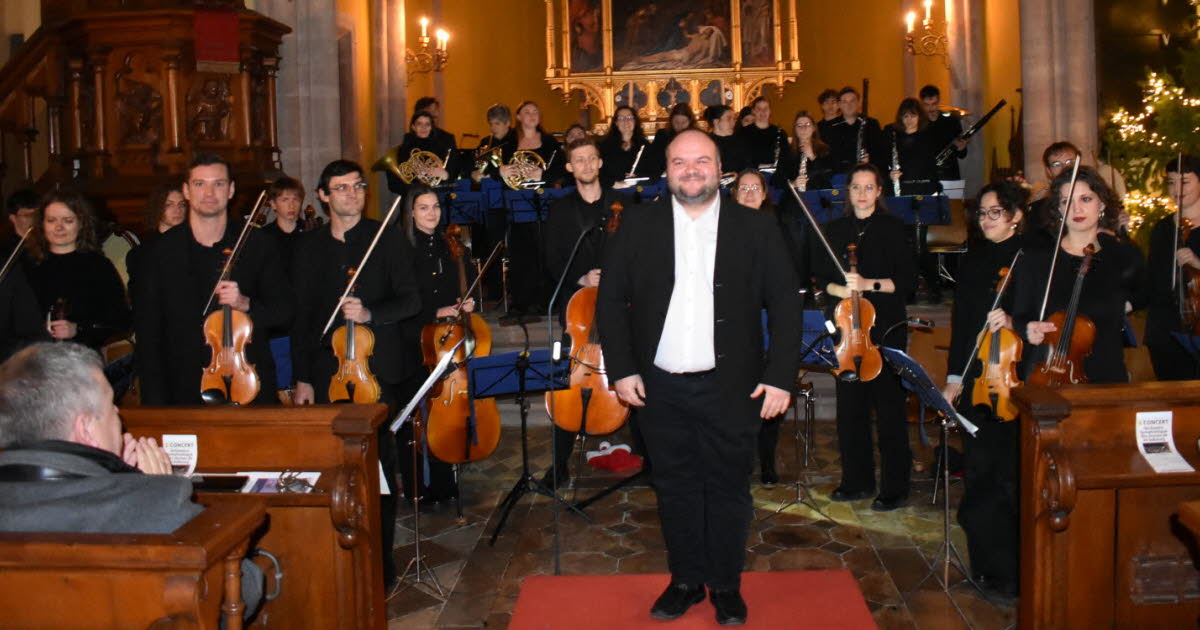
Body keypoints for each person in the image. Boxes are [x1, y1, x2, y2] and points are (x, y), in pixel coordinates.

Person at [596, 129, 800, 625]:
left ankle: (726, 585)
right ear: (666, 170)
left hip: (733, 385)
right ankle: (686, 580)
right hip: (659, 387)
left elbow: (787, 306)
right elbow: (610, 302)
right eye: (680, 162)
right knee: (676, 488)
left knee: (730, 489)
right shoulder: (637, 226)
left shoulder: (755, 228)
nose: (691, 170)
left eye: (701, 161)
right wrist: (621, 370)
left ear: (719, 169)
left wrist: (780, 377)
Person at [0, 342, 264, 615]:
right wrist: (152, 488)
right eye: (111, 405)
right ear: (86, 429)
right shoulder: (152, 503)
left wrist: (112, 472)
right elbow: (245, 590)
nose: (118, 414)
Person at [290, 159, 421, 589]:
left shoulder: (386, 239)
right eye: (341, 188)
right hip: (327, 375)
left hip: (378, 375)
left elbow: (410, 300)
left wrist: (370, 313)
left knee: (380, 472)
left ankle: (380, 564)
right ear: (324, 197)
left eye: (358, 187)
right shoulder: (309, 249)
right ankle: (338, 559)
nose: (352, 194)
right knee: (334, 470)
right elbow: (304, 318)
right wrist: (303, 378)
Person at [133, 153, 292, 405]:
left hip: (249, 384)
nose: (209, 192)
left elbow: (283, 311)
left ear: (230, 190)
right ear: (186, 191)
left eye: (218, 184)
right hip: (183, 388)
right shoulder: (159, 253)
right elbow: (149, 335)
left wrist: (246, 304)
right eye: (199, 184)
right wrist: (155, 404)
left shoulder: (258, 244)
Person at [940, 181, 1028, 600]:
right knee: (978, 476)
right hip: (977, 380)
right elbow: (963, 325)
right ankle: (986, 567)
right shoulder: (973, 261)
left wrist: (1015, 319)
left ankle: (1015, 570)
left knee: (1010, 479)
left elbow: (1042, 317)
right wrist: (955, 377)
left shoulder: (1031, 257)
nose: (987, 220)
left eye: (996, 212)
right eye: (983, 213)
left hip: (1015, 380)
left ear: (1016, 216)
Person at [812, 164, 916, 512]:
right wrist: (839, 288)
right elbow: (820, 279)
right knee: (850, 412)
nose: (861, 193)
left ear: (879, 191)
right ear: (848, 192)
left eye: (868, 187)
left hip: (884, 329)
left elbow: (907, 282)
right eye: (855, 186)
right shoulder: (834, 230)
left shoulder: (895, 229)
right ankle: (856, 481)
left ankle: (895, 486)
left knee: (889, 412)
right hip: (847, 334)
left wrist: (868, 284)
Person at [542, 138, 631, 486]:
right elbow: (550, 261)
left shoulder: (621, 204)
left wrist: (618, 277)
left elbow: (638, 252)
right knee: (565, 379)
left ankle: (652, 459)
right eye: (578, 160)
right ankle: (559, 463)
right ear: (570, 167)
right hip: (576, 309)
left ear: (599, 163)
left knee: (632, 372)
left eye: (590, 159)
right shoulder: (561, 210)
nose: (585, 165)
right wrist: (581, 277)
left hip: (620, 304)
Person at [1013, 166, 1146, 385]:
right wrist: (1028, 329)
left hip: (1106, 376)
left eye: (1085, 199)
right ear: (1059, 208)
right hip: (1048, 377)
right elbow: (1020, 315)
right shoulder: (1037, 260)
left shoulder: (1122, 255)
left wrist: (1124, 306)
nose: (1076, 209)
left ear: (1101, 204)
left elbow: (1148, 291)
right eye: (1067, 201)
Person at [732, 168, 803, 487]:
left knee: (770, 390)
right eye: (742, 188)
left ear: (764, 195)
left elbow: (788, 280)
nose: (748, 193)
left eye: (754, 188)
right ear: (734, 196)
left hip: (768, 321)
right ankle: (742, 460)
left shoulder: (778, 229)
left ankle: (768, 460)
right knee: (738, 398)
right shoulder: (722, 230)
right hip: (735, 325)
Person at [399, 183, 468, 503]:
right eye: (424, 207)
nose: (432, 213)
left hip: (444, 337)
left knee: (443, 412)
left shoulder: (447, 245)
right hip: (413, 338)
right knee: (416, 417)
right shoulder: (402, 248)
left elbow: (454, 289)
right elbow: (402, 299)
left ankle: (444, 481)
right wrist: (434, 310)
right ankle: (418, 488)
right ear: (411, 213)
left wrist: (463, 303)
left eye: (436, 207)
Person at [25, 189, 131, 352]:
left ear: (81, 223)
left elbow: (121, 321)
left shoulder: (98, 266)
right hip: (33, 359)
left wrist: (79, 328)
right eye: (51, 220)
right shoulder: (27, 266)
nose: (59, 227)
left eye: (68, 220)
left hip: (82, 358)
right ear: (42, 225)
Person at [1146, 155, 1200, 380]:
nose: (1176, 188)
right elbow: (1153, 280)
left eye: (1184, 182)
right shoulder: (1163, 228)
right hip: (1166, 329)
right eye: (1171, 182)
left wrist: (1197, 264)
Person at [260, 176, 308, 400]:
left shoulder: (310, 237)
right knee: (280, 384)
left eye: (295, 199)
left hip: (303, 317)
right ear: (272, 204)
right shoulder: (262, 239)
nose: (291, 205)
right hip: (277, 323)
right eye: (285, 199)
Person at [126, 180, 187, 301]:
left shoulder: (193, 245)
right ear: (158, 208)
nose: (177, 210)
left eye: (182, 204)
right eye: (169, 205)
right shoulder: (141, 253)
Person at [385, 111, 459, 195]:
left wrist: (445, 175)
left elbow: (455, 175)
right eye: (419, 124)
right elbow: (394, 184)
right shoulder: (404, 150)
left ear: (431, 127)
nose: (423, 128)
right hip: (412, 198)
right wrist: (416, 179)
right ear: (413, 127)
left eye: (427, 124)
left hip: (436, 196)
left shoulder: (442, 148)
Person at [823, 87, 884, 175]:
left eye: (852, 101)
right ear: (839, 104)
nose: (849, 105)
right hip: (839, 176)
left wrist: (871, 159)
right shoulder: (830, 127)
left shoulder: (871, 124)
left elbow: (881, 152)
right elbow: (826, 157)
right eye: (845, 102)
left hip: (865, 173)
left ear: (859, 103)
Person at [887, 98, 939, 196]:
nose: (909, 120)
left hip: (926, 189)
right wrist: (890, 174)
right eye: (905, 116)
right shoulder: (892, 136)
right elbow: (883, 163)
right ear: (900, 117)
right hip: (901, 189)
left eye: (913, 116)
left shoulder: (929, 136)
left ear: (920, 117)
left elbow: (932, 167)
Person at [919, 85, 967, 180]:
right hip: (927, 175)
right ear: (921, 104)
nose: (931, 109)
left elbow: (962, 155)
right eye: (927, 105)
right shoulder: (918, 124)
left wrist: (961, 148)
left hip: (949, 174)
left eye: (934, 104)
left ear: (939, 101)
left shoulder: (952, 121)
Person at [777, 110, 834, 190]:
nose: (803, 128)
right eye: (799, 125)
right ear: (795, 129)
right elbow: (777, 180)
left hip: (818, 195)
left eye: (807, 124)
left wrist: (813, 157)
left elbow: (828, 177)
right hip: (794, 197)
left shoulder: (824, 150)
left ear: (814, 128)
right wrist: (793, 184)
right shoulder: (787, 151)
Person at [598, 106, 652, 187]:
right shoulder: (605, 146)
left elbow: (653, 172)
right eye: (621, 118)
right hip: (613, 192)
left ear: (635, 121)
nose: (626, 121)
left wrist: (637, 178)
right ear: (616, 123)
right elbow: (600, 173)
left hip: (639, 191)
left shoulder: (645, 145)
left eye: (629, 117)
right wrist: (616, 184)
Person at [646, 103, 696, 178]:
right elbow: (655, 159)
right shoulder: (662, 135)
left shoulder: (696, 137)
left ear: (690, 122)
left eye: (683, 122)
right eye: (676, 122)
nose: (680, 126)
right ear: (671, 121)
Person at [471, 104, 518, 183]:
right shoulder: (486, 142)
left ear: (507, 123)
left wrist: (494, 173)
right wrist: (473, 173)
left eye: (497, 124)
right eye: (491, 124)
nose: (493, 128)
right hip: (490, 187)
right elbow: (474, 165)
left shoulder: (519, 140)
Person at [740, 97, 789, 169]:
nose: (763, 112)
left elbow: (785, 159)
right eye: (759, 109)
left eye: (766, 108)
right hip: (752, 174)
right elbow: (741, 160)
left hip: (775, 176)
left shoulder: (780, 133)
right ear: (753, 111)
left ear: (770, 111)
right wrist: (764, 166)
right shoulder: (743, 133)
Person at [705, 104, 749, 178]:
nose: (733, 123)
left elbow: (748, 166)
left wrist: (739, 175)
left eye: (734, 119)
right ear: (716, 121)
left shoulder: (741, 141)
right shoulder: (706, 142)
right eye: (728, 119)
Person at [3, 188, 40, 258]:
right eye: (27, 216)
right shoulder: (6, 250)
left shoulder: (46, 242)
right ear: (13, 218)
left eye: (37, 214)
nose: (34, 219)